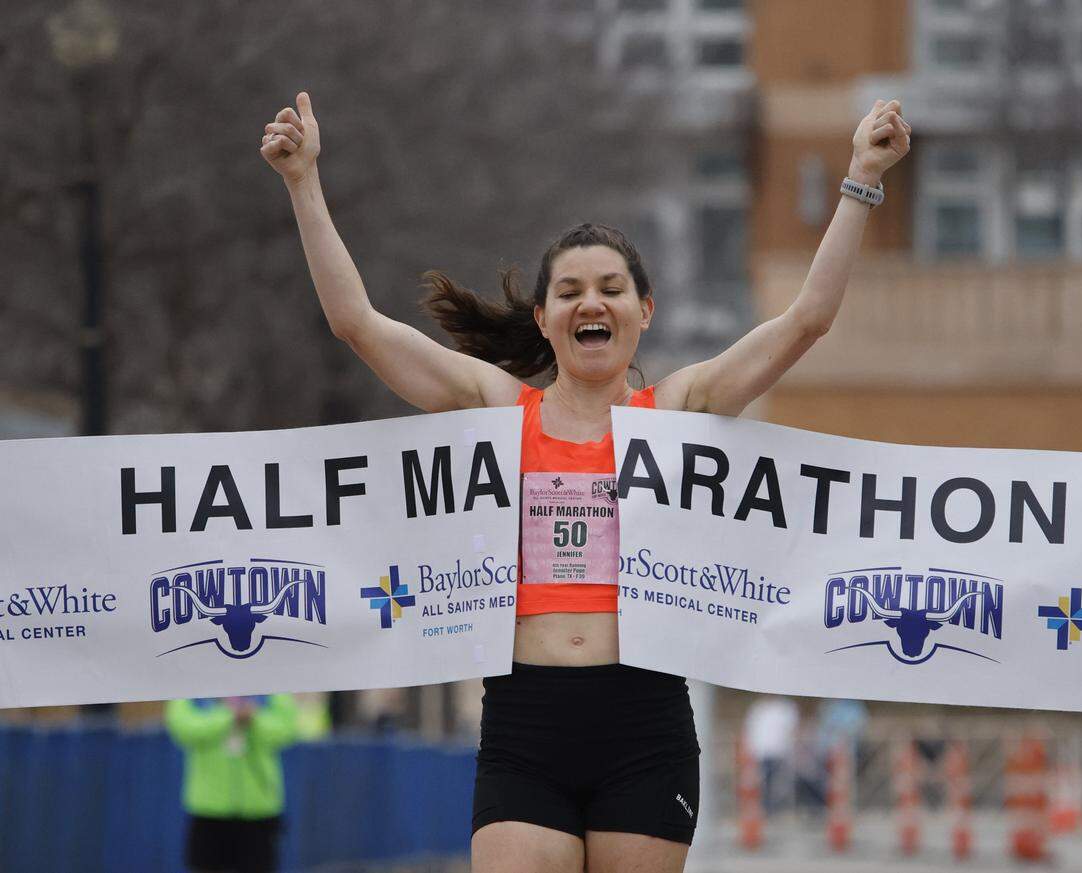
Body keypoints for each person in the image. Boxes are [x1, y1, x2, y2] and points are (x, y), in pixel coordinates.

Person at [260, 90, 909, 873]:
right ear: (543, 318)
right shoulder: (502, 411)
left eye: (609, 288)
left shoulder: (678, 410)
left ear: (644, 311)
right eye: (568, 291)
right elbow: (356, 323)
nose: (589, 302)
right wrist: (303, 183)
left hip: (644, 727)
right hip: (524, 725)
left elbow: (807, 318)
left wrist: (861, 178)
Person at [166, 695, 300, 873]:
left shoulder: (270, 687)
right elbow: (183, 727)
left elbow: (287, 728)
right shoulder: (193, 687)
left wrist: (253, 717)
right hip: (209, 808)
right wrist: (228, 716)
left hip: (258, 808)